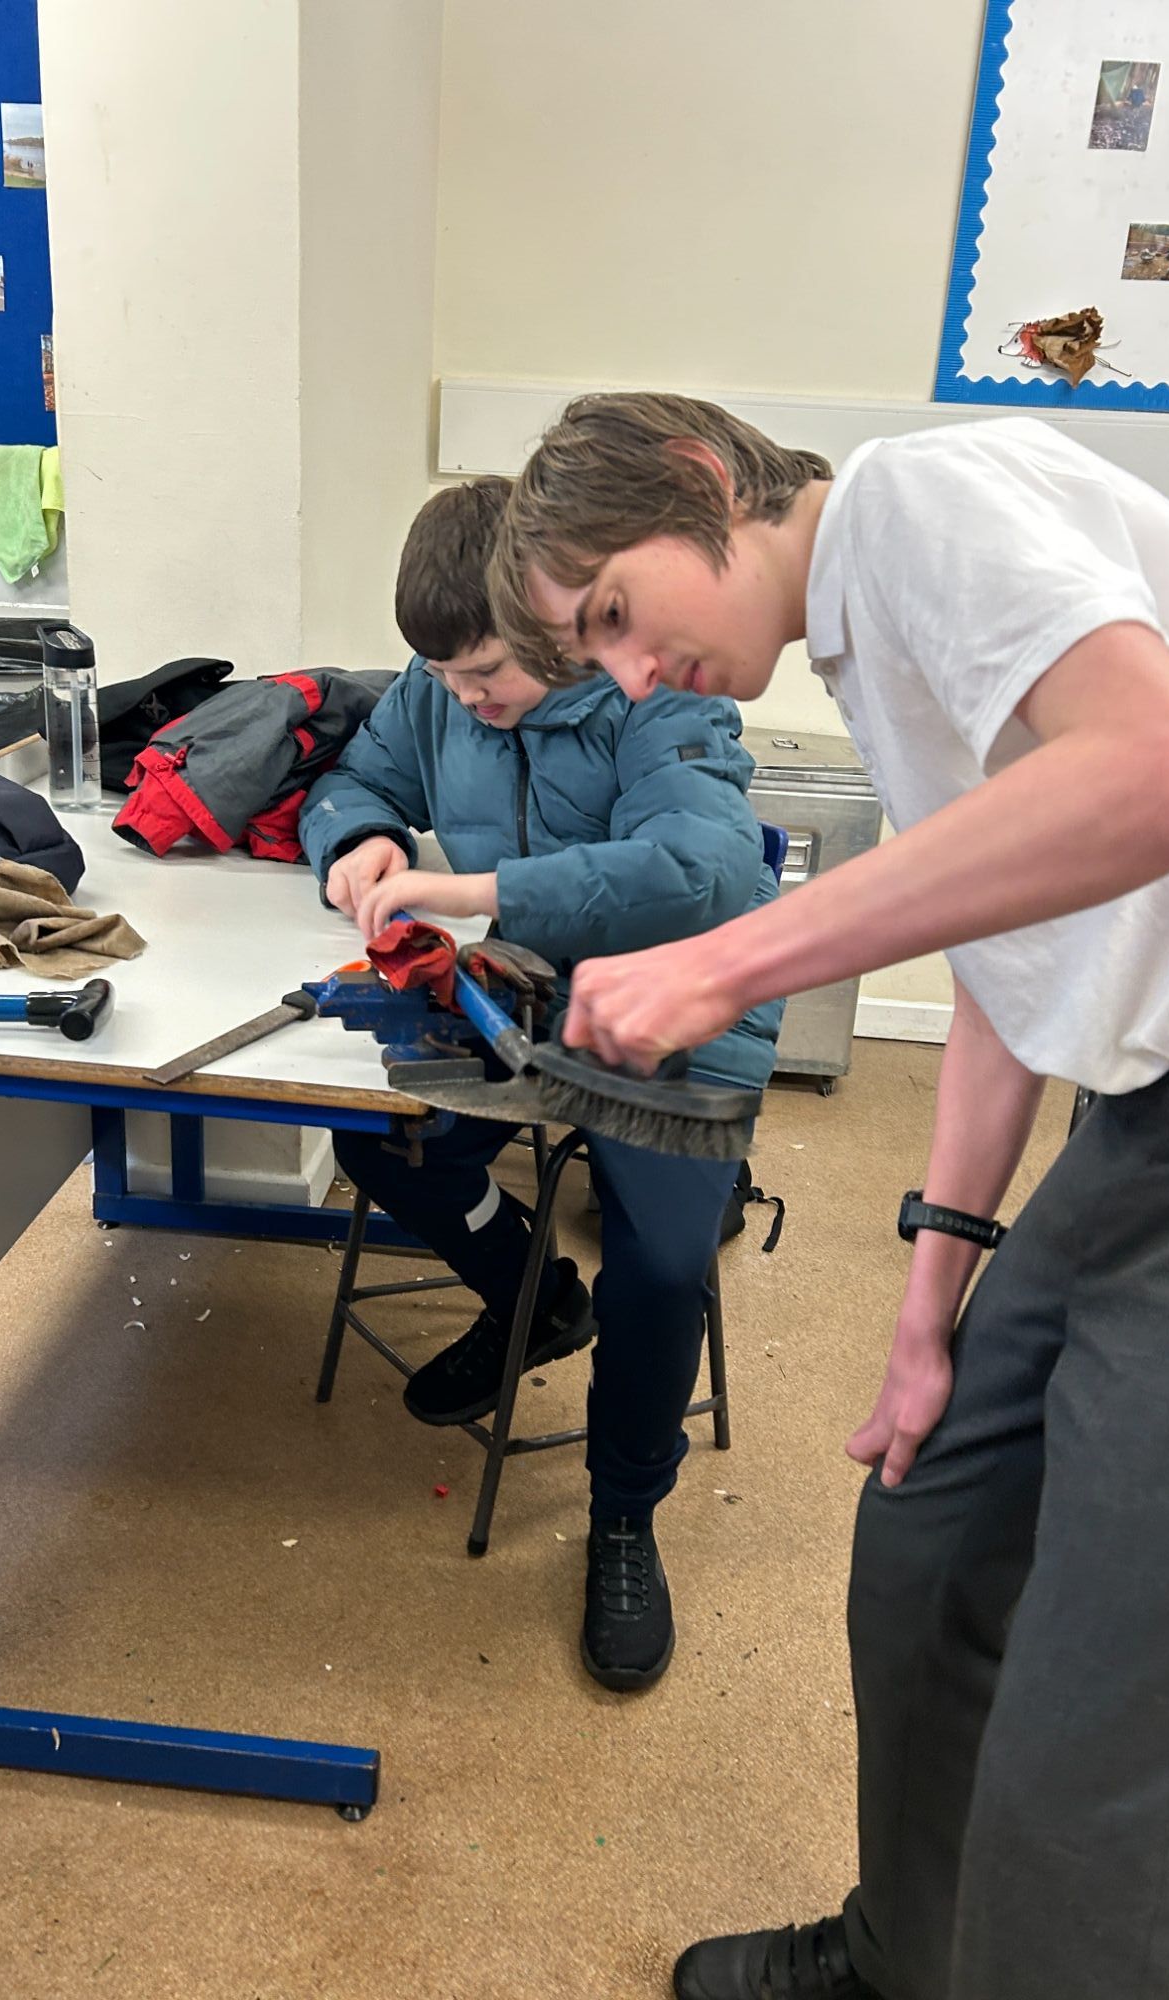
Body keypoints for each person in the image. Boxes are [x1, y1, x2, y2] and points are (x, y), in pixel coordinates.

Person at [487, 392, 1169, 2000]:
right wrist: (933, 1306)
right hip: (1146, 1130)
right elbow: (1014, 959)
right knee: (924, 1550)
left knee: (1088, 1768)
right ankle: (905, 1958)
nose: (633, 676)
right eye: (596, 658)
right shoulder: (868, 644)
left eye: (621, 617)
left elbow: (1167, 778)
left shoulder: (914, 501)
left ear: (703, 482)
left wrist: (729, 957)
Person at [298, 477, 782, 1692]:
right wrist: (354, 838)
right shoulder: (438, 686)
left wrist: (473, 894)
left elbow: (702, 868)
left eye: (483, 674)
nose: (462, 701)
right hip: (517, 993)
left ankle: (626, 1513)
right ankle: (533, 1294)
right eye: (445, 678)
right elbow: (359, 777)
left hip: (682, 1014)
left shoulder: (662, 690)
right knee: (381, 1142)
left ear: (555, 619)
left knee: (665, 1263)